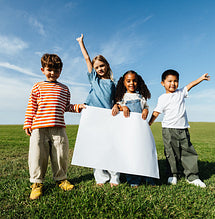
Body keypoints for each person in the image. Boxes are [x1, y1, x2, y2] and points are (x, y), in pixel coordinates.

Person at [24, 53, 85, 200]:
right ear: (42, 69)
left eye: (56, 70)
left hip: (59, 128)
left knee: (61, 155)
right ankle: (37, 183)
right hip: (39, 128)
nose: (53, 73)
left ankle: (61, 179)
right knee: (38, 156)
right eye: (49, 69)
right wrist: (28, 122)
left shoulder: (64, 89)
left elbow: (66, 106)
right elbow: (32, 106)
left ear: (61, 71)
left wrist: (78, 107)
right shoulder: (37, 86)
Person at [148, 69, 210, 188]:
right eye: (169, 81)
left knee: (188, 152)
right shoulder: (162, 98)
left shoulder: (181, 93)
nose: (173, 83)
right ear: (163, 83)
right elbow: (156, 112)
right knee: (171, 153)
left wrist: (201, 79)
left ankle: (192, 177)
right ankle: (173, 175)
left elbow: (190, 85)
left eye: (176, 81)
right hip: (168, 129)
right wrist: (149, 123)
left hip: (183, 129)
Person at [76, 34, 121, 187]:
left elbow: (116, 99)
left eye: (102, 66)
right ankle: (100, 177)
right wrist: (81, 43)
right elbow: (87, 59)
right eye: (97, 67)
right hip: (94, 117)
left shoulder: (113, 83)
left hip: (109, 118)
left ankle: (115, 176)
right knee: (96, 147)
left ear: (107, 65)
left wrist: (116, 105)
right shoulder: (94, 80)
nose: (99, 69)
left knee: (111, 147)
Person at [114, 70, 155, 186]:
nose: (132, 83)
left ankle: (149, 178)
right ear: (124, 83)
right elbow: (116, 108)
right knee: (131, 154)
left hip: (141, 131)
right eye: (128, 81)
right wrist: (123, 107)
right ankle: (133, 180)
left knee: (144, 153)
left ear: (138, 82)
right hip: (128, 132)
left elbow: (146, 106)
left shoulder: (141, 97)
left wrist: (146, 110)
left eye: (134, 81)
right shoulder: (122, 97)